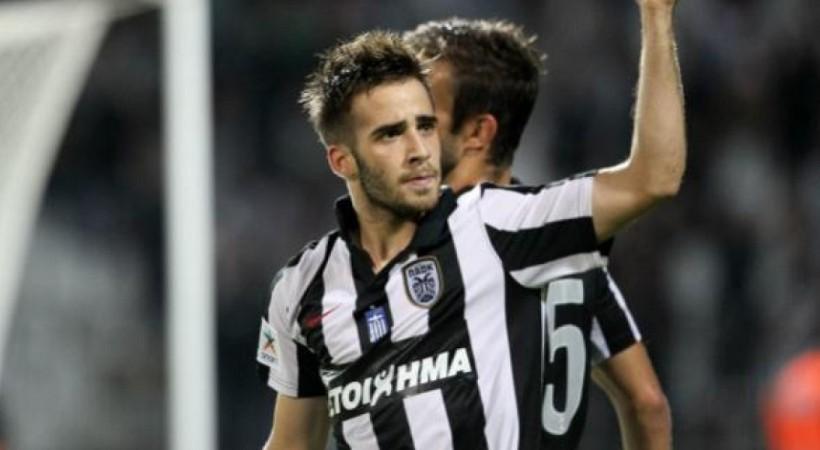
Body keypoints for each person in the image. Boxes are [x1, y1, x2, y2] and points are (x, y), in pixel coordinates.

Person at [258, 3, 684, 445]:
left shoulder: (501, 224)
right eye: (391, 134)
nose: (419, 149)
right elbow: (292, 442)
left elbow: (655, 178)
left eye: (427, 125)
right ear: (340, 160)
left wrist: (656, 16)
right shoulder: (301, 286)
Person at [403, 16, 672, 450]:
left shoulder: (478, 227)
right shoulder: (564, 248)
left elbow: (654, 178)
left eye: (424, 115)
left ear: (478, 132)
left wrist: (656, 20)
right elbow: (648, 404)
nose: (407, 127)